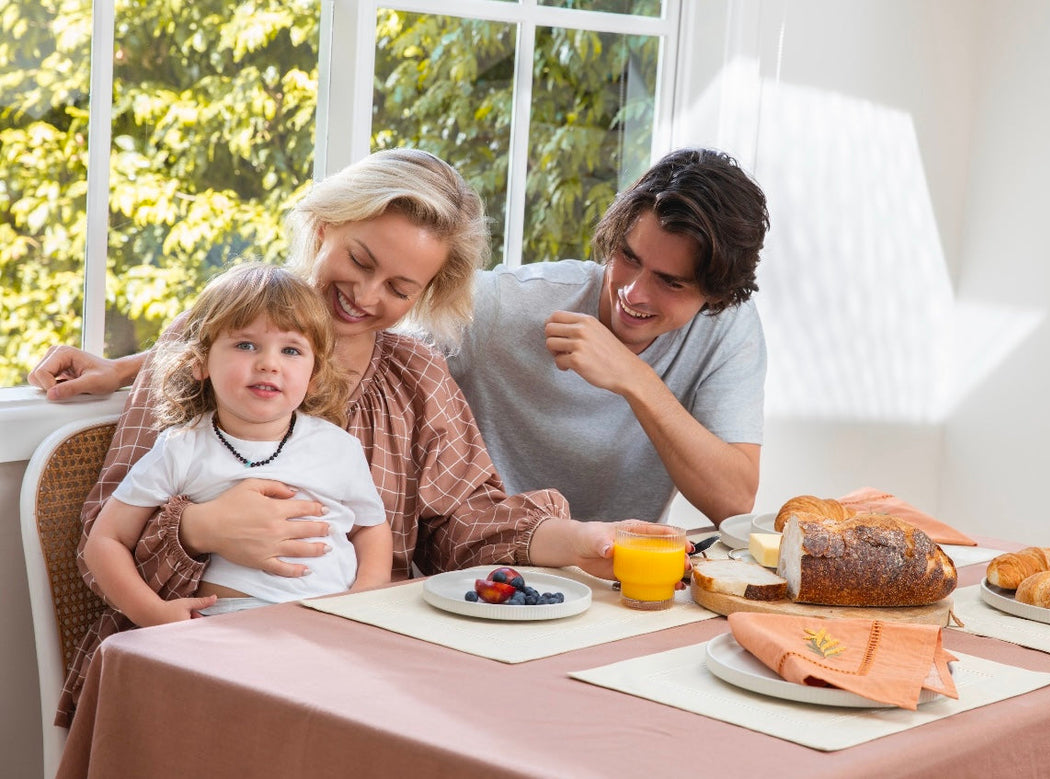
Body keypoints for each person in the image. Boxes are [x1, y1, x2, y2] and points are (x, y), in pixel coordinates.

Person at [30, 148, 655, 727]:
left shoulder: (417, 376)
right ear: (324, 227)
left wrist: (578, 542)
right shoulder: (208, 336)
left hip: (353, 658)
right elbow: (102, 538)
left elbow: (466, 519)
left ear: (426, 294)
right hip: (195, 657)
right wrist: (199, 530)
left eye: (399, 289)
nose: (364, 295)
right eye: (360, 261)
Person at [447, 148, 770, 525]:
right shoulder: (505, 305)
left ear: (716, 296)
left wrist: (634, 378)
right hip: (488, 571)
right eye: (629, 257)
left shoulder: (726, 328)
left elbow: (733, 502)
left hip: (618, 574)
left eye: (670, 282)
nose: (633, 293)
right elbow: (379, 358)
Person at [84, 263, 391, 626]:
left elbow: (371, 528)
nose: (268, 364)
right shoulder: (182, 447)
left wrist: (363, 600)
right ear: (201, 363)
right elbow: (105, 541)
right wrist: (151, 613)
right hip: (226, 625)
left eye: (291, 351)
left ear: (315, 376)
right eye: (246, 345)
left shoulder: (338, 448)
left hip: (329, 619)